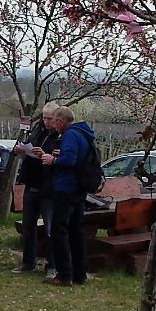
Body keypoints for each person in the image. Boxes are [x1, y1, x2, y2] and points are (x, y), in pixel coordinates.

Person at [40, 105, 95, 286]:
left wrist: (53, 160)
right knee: (76, 231)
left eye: (55, 121)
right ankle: (80, 273)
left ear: (61, 121)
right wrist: (62, 154)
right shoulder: (84, 133)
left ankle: (64, 274)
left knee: (59, 230)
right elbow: (76, 156)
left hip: (67, 188)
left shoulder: (70, 134)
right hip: (80, 188)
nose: (54, 126)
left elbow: (70, 161)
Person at [11, 101, 60, 276]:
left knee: (50, 229)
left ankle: (52, 265)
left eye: (50, 119)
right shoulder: (37, 129)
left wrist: (45, 155)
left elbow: (61, 158)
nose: (47, 122)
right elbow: (29, 145)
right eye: (45, 118)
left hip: (49, 186)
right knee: (28, 226)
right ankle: (28, 262)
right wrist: (22, 149)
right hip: (32, 182)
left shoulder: (61, 135)